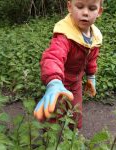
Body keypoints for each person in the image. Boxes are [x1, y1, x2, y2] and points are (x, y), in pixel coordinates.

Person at [34, 0, 103, 129]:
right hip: (61, 81)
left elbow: (92, 58)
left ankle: (72, 138)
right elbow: (53, 57)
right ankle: (50, 139)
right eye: (80, 6)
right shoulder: (65, 35)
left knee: (76, 112)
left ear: (99, 12)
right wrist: (54, 81)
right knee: (54, 114)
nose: (85, 13)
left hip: (76, 83)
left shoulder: (95, 37)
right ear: (70, 7)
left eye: (92, 8)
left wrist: (91, 77)